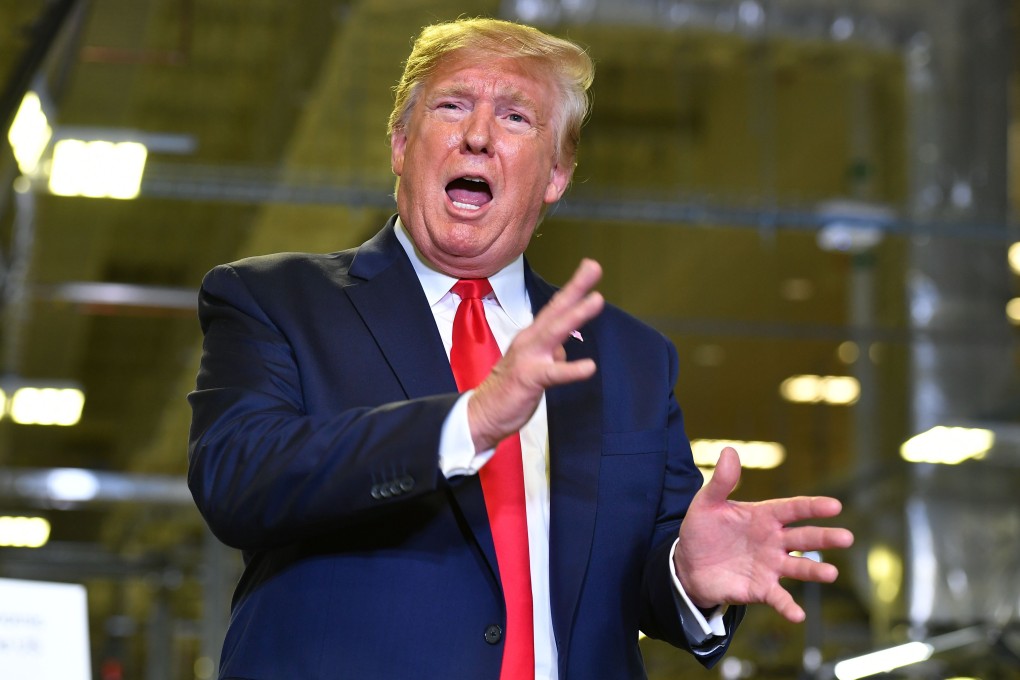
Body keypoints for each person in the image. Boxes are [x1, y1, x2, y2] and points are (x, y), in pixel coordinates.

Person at [187, 17, 854, 680]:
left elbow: (643, 572)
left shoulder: (631, 358)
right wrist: (466, 424)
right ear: (399, 143)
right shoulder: (275, 300)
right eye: (453, 106)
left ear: (556, 175)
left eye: (514, 118)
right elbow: (237, 479)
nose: (477, 135)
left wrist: (686, 572)